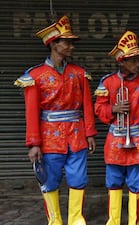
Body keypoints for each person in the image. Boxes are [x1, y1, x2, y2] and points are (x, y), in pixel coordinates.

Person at [14, 15, 97, 225]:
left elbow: (87, 105)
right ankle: (55, 221)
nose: (71, 47)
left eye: (71, 42)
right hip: (49, 137)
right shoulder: (35, 76)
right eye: (66, 42)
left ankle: (76, 219)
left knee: (78, 179)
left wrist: (90, 133)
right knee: (49, 181)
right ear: (53, 44)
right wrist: (33, 144)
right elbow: (31, 112)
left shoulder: (79, 73)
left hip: (77, 135)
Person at [94, 30, 139, 225]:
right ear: (122, 62)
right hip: (116, 139)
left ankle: (135, 221)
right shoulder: (108, 82)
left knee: (136, 184)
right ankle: (113, 221)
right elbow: (99, 109)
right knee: (114, 182)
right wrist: (114, 108)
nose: (138, 64)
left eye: (138, 60)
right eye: (133, 60)